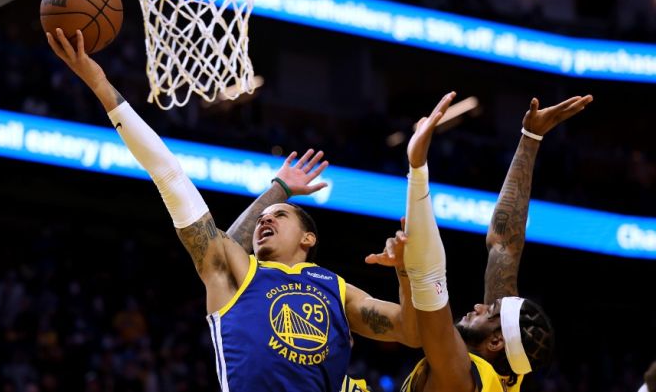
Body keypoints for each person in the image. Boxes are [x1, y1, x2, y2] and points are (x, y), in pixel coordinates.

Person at [46, 29, 419, 392]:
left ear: (309, 238)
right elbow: (169, 174)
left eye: (280, 214)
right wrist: (99, 84)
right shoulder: (234, 272)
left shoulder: (336, 289)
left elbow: (412, 330)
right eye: (262, 218)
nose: (266, 217)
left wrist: (405, 271)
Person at [368, 92, 592, 391]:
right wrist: (530, 136)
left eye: (490, 311)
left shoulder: (459, 375)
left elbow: (430, 284)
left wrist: (418, 169)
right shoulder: (507, 369)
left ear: (496, 341)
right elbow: (504, 245)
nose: (480, 305)